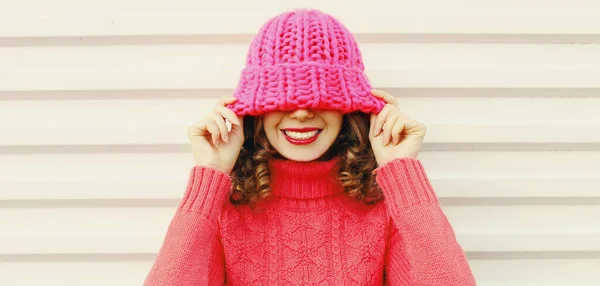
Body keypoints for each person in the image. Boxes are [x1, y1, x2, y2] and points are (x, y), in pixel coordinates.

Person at [144, 8, 476, 285]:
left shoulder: (384, 202)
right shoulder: (224, 205)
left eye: (321, 97)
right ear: (256, 109)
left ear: (348, 106)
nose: (301, 111)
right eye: (282, 98)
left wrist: (402, 171)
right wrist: (210, 173)